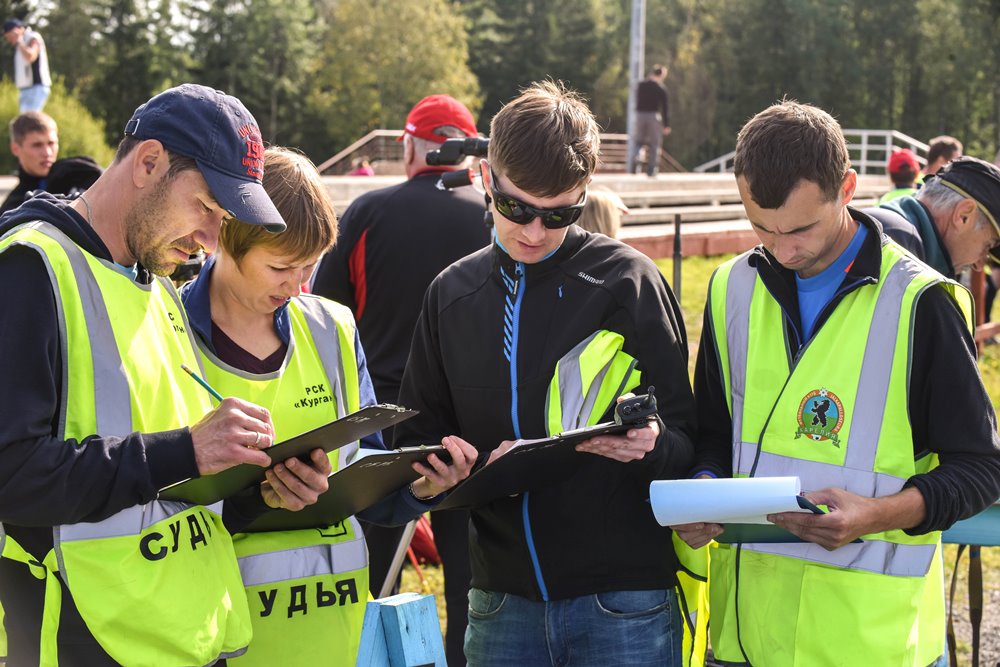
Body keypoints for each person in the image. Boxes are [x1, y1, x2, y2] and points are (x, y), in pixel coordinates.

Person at [0, 83, 333, 666]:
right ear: (148, 162)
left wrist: (263, 491)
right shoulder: (31, 269)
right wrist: (187, 451)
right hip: (84, 640)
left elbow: (169, 492)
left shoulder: (158, 286)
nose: (210, 239)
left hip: (186, 638)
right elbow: (12, 475)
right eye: (206, 207)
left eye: (222, 217)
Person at [674, 100, 1000, 666]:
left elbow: (981, 470)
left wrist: (876, 516)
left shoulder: (923, 302)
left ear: (847, 188)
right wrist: (704, 485)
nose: (782, 249)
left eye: (802, 228)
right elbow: (713, 431)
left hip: (868, 646)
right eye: (760, 228)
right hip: (741, 638)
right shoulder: (731, 286)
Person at [394, 80, 696, 666]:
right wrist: (435, 472)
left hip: (624, 603)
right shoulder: (450, 294)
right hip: (500, 603)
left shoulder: (629, 282)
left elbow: (693, 438)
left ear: (586, 192)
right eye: (516, 209)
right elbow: (414, 446)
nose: (533, 232)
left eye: (560, 214)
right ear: (486, 179)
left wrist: (654, 447)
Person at [180, 146, 476, 666]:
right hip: (212, 638)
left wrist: (418, 488)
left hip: (331, 634)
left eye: (311, 267)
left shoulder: (332, 326)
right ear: (227, 237)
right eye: (280, 266)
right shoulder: (167, 327)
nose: (297, 286)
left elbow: (362, 482)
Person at [312, 92, 489, 666]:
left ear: (410, 144)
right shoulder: (493, 216)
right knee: (470, 584)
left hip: (386, 419)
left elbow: (322, 319)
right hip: (471, 425)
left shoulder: (367, 212)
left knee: (364, 583)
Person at [866, 156, 1000, 279]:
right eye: (987, 245)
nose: (979, 265)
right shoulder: (898, 243)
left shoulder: (899, 235)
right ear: (963, 216)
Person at [1, 111, 57, 213]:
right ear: (15, 149)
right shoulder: (11, 209)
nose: (47, 153)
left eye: (51, 143)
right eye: (37, 145)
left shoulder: (80, 175)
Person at [627, 65, 671, 177]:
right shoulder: (661, 89)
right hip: (653, 116)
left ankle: (636, 159)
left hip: (640, 115)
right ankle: (651, 169)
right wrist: (666, 125)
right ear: (661, 75)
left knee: (639, 142)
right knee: (654, 143)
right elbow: (665, 108)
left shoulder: (641, 85)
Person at [2, 18, 51, 112]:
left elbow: (31, 56)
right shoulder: (20, 44)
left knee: (29, 121)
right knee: (24, 122)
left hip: (36, 87)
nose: (8, 40)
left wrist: (19, 40)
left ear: (17, 30)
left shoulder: (32, 37)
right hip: (26, 89)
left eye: (9, 36)